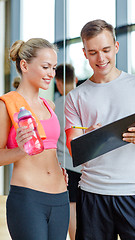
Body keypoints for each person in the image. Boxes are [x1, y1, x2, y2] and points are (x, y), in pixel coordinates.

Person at [65, 19, 135, 240]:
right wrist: (90, 139)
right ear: (84, 53)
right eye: (92, 52)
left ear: (116, 47)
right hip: (92, 196)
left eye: (106, 50)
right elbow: (74, 150)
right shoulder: (75, 97)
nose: (100, 58)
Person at [0, 38, 69, 240]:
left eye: (54, 68)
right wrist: (21, 149)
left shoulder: (50, 106)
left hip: (60, 197)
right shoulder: (6, 105)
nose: (51, 74)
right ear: (24, 65)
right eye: (46, 67)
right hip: (28, 198)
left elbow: (51, 150)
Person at [55, 63, 82, 240]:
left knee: (71, 208)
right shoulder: (84, 100)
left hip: (66, 165)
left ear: (57, 82)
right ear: (76, 79)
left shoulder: (56, 104)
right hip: (86, 165)